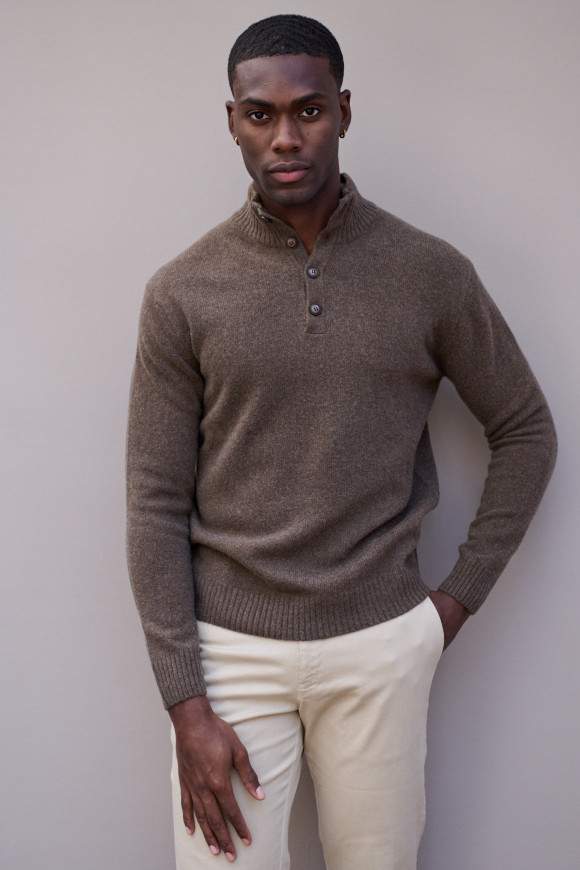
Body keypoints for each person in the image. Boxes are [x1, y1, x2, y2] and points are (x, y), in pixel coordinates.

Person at [124, 13, 558, 869]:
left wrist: (446, 610)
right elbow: (154, 502)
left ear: (344, 111)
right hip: (231, 655)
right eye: (261, 114)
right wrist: (184, 703)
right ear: (233, 121)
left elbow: (526, 429)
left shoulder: (429, 273)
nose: (285, 137)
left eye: (309, 110)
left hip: (380, 643)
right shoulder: (182, 292)